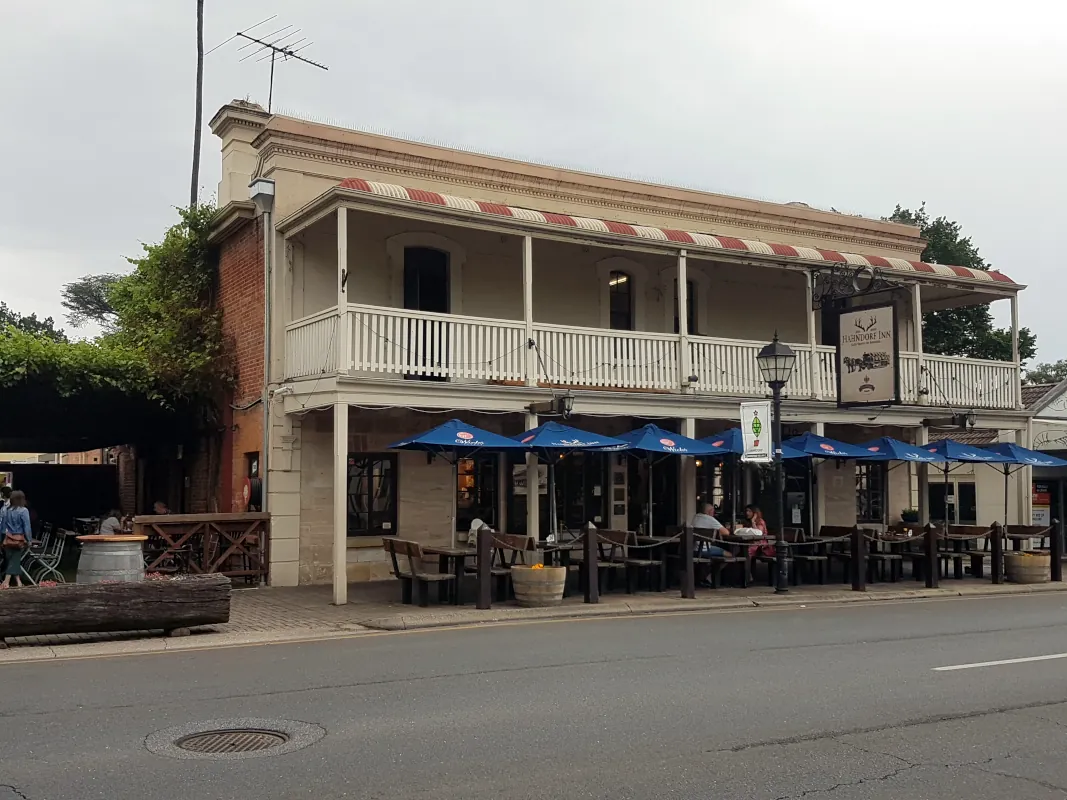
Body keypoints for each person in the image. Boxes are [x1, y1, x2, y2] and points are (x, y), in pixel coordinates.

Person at [0, 490, 32, 589]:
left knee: (12, 560)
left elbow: (2, 526)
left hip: (8, 539)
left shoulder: (6, 510)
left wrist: (2, 539)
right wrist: (29, 540)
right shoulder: (24, 511)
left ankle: (19, 583)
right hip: (19, 540)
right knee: (14, 560)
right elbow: (27, 527)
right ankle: (6, 582)